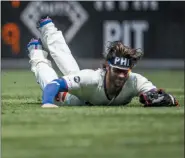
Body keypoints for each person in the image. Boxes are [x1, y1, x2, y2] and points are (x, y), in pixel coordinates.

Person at [27, 17, 178, 108]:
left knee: (73, 72)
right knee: (50, 84)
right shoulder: (92, 79)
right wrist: (47, 102)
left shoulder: (135, 81)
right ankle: (36, 53)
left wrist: (168, 99)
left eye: (124, 71)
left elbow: (156, 95)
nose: (120, 75)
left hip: (84, 89)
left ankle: (48, 29)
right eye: (117, 70)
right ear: (107, 67)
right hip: (73, 99)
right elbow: (54, 85)